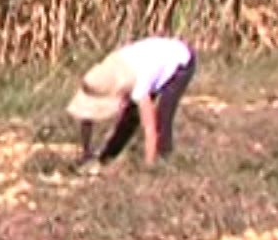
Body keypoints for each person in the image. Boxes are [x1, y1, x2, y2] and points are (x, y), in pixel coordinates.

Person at [67, 37, 196, 167]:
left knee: (162, 119)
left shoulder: (139, 85)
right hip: (151, 59)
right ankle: (107, 158)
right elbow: (87, 115)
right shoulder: (105, 74)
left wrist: (148, 167)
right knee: (130, 116)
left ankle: (164, 161)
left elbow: (150, 129)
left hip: (181, 61)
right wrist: (86, 151)